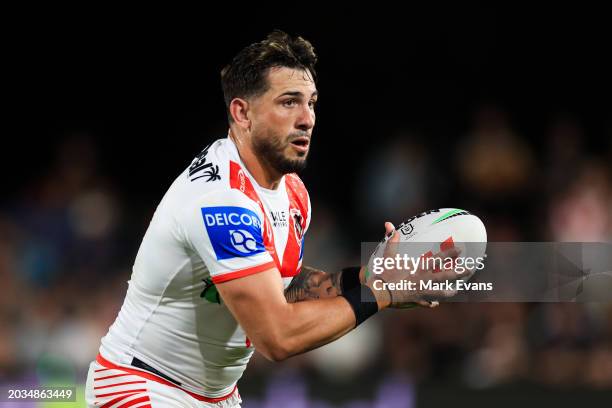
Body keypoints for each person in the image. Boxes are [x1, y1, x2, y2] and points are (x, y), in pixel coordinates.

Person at [84, 30, 461, 407]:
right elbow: (277, 338)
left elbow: (279, 282)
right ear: (241, 113)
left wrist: (362, 278)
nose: (307, 119)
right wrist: (382, 293)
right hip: (140, 385)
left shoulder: (293, 193)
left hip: (216, 396)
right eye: (288, 103)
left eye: (311, 103)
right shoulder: (220, 202)